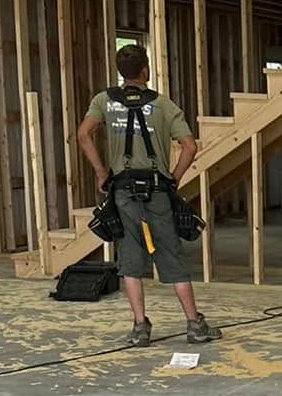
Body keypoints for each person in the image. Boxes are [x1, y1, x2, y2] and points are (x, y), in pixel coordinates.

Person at [76, 43, 219, 348]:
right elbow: (190, 146)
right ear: (145, 70)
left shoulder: (104, 101)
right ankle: (194, 324)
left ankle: (140, 327)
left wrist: (102, 172)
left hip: (124, 193)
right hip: (156, 191)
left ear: (121, 72)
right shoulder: (164, 105)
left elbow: (83, 135)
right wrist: (174, 179)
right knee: (171, 254)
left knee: (129, 259)